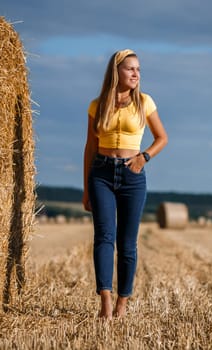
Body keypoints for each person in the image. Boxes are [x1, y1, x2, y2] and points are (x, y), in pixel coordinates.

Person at [82, 49, 168, 320]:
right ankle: (105, 302)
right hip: (102, 174)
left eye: (138, 70)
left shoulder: (144, 102)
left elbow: (162, 138)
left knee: (127, 243)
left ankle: (122, 302)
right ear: (116, 71)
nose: (136, 74)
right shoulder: (97, 105)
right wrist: (86, 188)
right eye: (130, 69)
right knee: (104, 238)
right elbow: (90, 148)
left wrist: (144, 157)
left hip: (133, 175)